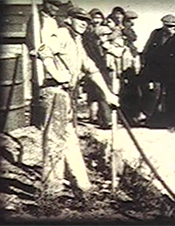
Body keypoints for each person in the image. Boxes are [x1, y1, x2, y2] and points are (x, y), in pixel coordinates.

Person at [37, 6, 119, 200]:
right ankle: (51, 194)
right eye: (79, 19)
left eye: (86, 21)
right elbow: (43, 51)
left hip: (68, 95)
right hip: (55, 93)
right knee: (55, 143)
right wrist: (57, 74)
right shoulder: (62, 34)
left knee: (70, 140)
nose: (84, 23)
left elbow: (91, 68)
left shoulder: (77, 40)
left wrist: (108, 94)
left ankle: (82, 188)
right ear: (69, 19)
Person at [26, 0, 71, 126]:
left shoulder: (55, 21)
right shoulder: (36, 19)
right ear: (46, 4)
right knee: (39, 87)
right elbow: (31, 38)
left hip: (54, 58)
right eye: (53, 5)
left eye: (58, 6)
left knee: (54, 87)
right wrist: (37, 51)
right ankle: (38, 122)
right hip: (40, 58)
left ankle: (53, 119)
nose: (56, 9)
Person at [140, 14, 175, 127]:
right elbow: (147, 49)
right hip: (156, 70)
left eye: (173, 26)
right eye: (168, 26)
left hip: (172, 71)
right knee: (154, 94)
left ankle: (168, 120)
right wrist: (145, 64)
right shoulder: (156, 34)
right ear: (163, 25)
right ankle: (150, 118)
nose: (171, 28)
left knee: (169, 95)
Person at [83, 8, 112, 128]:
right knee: (93, 93)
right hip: (91, 65)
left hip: (103, 66)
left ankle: (104, 119)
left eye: (99, 18)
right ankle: (97, 117)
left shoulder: (105, 33)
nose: (97, 20)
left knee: (102, 92)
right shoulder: (87, 33)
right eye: (95, 18)